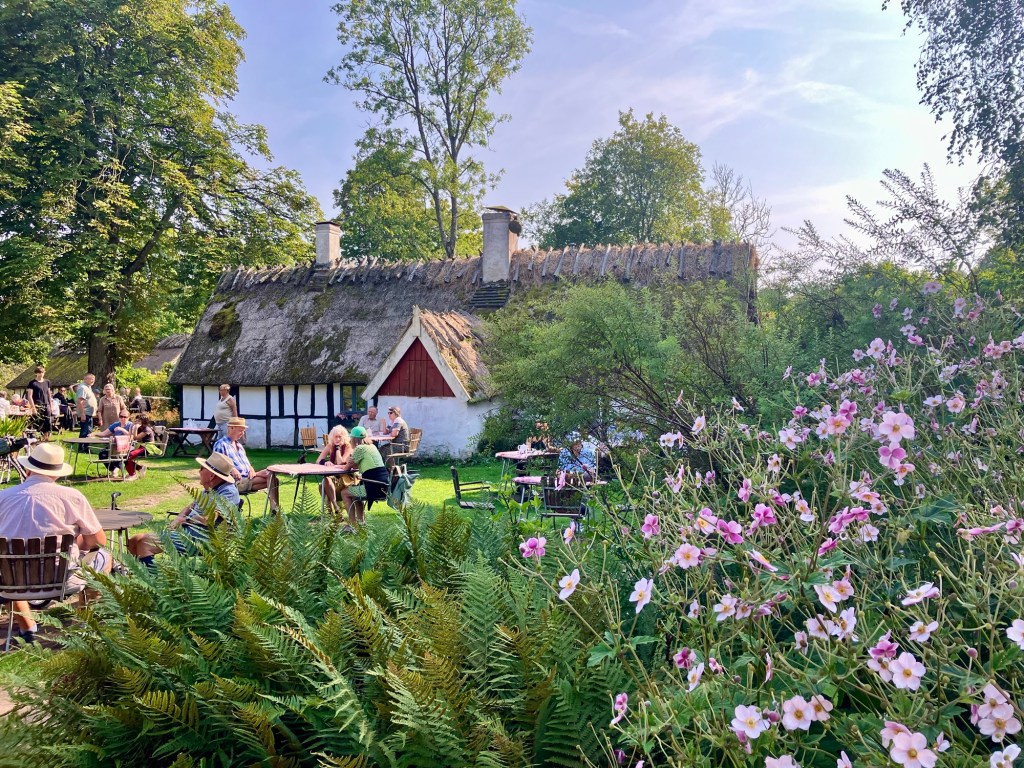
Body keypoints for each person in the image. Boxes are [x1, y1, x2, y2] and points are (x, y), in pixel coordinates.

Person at [0, 443, 112, 643]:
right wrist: (77, 544)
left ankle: (28, 628)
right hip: (63, 579)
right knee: (105, 556)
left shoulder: (3, 497)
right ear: (57, 474)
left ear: (28, 470)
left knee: (9, 566)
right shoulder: (72, 497)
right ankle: (83, 624)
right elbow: (98, 541)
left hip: (12, 583)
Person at [128, 453, 240, 565]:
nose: (199, 471)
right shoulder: (211, 487)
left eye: (202, 468)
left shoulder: (228, 492)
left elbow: (209, 519)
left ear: (211, 476)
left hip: (203, 536)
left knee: (144, 543)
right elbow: (191, 506)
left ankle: (152, 576)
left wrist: (185, 520)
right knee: (134, 541)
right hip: (188, 530)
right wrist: (178, 518)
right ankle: (141, 571)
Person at [212, 417, 280, 513]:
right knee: (272, 478)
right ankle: (275, 510)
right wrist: (231, 469)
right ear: (231, 428)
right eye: (240, 430)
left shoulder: (239, 446)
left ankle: (274, 509)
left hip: (248, 477)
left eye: (243, 431)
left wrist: (251, 469)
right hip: (235, 482)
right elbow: (216, 465)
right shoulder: (221, 444)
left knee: (271, 474)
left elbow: (247, 464)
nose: (242, 433)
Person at [338, 426, 390, 529]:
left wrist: (345, 464)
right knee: (355, 493)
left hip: (373, 487)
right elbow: (357, 465)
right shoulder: (372, 447)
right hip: (382, 485)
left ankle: (352, 525)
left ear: (353, 439)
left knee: (344, 493)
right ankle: (361, 523)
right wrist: (350, 462)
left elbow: (347, 468)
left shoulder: (359, 449)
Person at [315, 425, 352, 517]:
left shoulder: (348, 447)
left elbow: (341, 462)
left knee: (324, 483)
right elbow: (318, 460)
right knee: (323, 484)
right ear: (332, 437)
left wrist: (338, 449)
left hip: (345, 478)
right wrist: (325, 462)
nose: (338, 439)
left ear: (344, 437)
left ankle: (332, 512)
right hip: (333, 477)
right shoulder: (330, 445)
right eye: (336, 437)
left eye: (340, 436)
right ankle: (334, 510)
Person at [96, 409, 142, 480]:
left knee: (120, 454)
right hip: (115, 446)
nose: (123, 418)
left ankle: (129, 470)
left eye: (125, 417)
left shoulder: (131, 425)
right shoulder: (116, 424)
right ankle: (113, 470)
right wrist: (94, 434)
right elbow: (104, 433)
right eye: (121, 416)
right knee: (102, 454)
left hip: (128, 446)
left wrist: (122, 429)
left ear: (128, 417)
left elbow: (132, 437)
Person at [25, 366, 53, 438]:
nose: (41, 374)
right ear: (36, 373)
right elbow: (29, 396)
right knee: (38, 422)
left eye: (42, 372)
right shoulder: (32, 383)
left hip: (46, 404)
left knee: (47, 422)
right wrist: (33, 408)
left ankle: (46, 438)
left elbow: (49, 394)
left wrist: (51, 405)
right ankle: (36, 438)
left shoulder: (47, 382)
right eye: (39, 372)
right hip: (37, 405)